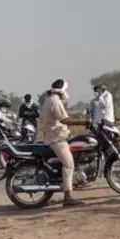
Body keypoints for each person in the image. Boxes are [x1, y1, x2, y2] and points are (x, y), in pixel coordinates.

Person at [37, 79, 86, 207]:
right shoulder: (55, 101)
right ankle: (67, 197)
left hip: (56, 135)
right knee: (69, 165)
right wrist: (84, 122)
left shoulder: (51, 99)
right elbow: (64, 120)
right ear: (62, 90)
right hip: (56, 138)